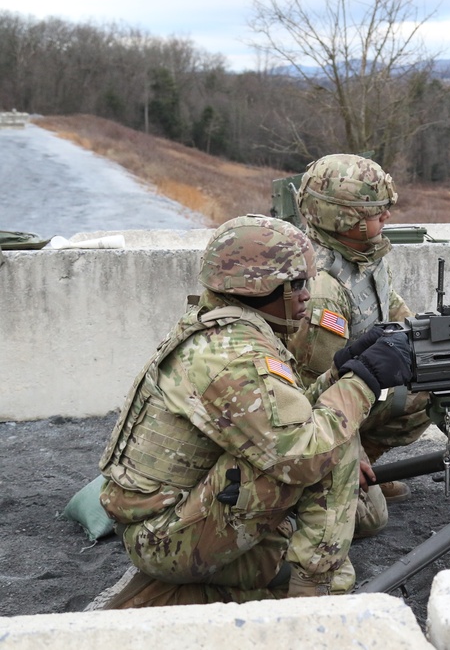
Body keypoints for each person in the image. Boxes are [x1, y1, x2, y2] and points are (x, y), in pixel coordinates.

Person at [98, 214, 411, 606]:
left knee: (334, 446)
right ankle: (315, 592)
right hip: (163, 540)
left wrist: (340, 371)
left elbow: (287, 418)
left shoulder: (232, 328)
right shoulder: (234, 355)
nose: (306, 295)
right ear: (261, 287)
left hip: (169, 518)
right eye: (295, 284)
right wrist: (364, 381)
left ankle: (204, 585)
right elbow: (305, 455)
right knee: (333, 445)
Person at [286, 153, 431, 504]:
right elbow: (311, 397)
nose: (386, 216)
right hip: (322, 410)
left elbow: (395, 311)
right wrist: (350, 453)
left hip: (358, 384)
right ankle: (339, 470)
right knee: (370, 519)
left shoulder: (364, 256)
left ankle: (365, 463)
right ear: (343, 218)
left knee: (431, 381)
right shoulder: (322, 288)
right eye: (375, 211)